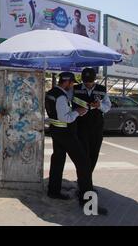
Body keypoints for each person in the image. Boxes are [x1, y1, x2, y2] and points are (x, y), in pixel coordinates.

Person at [45, 72, 108, 215]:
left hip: (56, 131)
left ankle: (53, 191)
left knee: (57, 161)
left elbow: (52, 115)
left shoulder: (50, 93)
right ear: (66, 82)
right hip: (66, 134)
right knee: (84, 164)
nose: (73, 86)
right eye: (72, 83)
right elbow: (65, 118)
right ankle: (88, 203)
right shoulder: (61, 97)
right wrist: (77, 112)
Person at [73, 68, 111, 173]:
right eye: (86, 82)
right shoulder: (75, 89)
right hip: (80, 126)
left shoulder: (102, 89)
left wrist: (99, 105)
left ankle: (88, 178)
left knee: (94, 154)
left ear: (94, 79)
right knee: (82, 155)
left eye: (90, 82)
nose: (88, 84)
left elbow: (107, 107)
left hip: (96, 127)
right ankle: (83, 179)